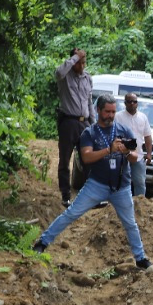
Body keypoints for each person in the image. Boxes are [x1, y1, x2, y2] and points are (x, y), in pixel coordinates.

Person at [33, 95, 153, 272]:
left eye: (113, 112)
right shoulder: (89, 133)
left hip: (121, 186)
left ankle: (140, 258)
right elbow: (86, 157)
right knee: (71, 213)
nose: (111, 115)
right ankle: (42, 243)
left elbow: (136, 156)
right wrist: (109, 150)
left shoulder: (124, 130)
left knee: (130, 224)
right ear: (98, 110)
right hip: (97, 184)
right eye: (107, 111)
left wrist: (126, 153)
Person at [55, 48, 93, 207]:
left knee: (88, 160)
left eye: (84, 62)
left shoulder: (87, 78)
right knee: (65, 160)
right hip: (68, 122)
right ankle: (65, 196)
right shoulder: (65, 76)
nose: (82, 66)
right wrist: (75, 57)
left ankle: (91, 196)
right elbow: (58, 72)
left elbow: (89, 101)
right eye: (79, 62)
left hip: (85, 123)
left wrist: (93, 124)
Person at [116, 93, 153, 198]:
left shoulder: (143, 117)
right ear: (125, 103)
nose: (132, 103)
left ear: (137, 103)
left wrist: (149, 153)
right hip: (121, 156)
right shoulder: (118, 117)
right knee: (121, 182)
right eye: (129, 101)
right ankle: (119, 204)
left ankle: (140, 205)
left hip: (138, 157)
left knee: (140, 183)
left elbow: (147, 136)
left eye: (134, 101)